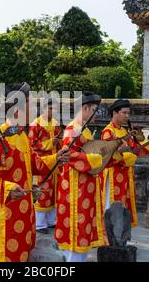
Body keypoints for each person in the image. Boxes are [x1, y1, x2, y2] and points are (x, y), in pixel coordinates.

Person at [0, 83, 69, 262]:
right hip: (4, 213)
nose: (35, 109)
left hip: (23, 210)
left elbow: (35, 163)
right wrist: (8, 188)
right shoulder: (0, 139)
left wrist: (57, 157)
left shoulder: (21, 135)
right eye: (32, 104)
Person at [55, 91, 107, 263]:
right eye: (94, 110)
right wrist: (96, 158)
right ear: (85, 108)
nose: (96, 116)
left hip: (85, 186)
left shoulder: (83, 130)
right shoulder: (72, 131)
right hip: (75, 187)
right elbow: (70, 156)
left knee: (85, 224)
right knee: (77, 224)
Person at [101, 99, 149, 227]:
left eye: (128, 113)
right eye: (124, 113)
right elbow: (111, 155)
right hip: (113, 174)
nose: (127, 116)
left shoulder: (124, 131)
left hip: (125, 173)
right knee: (112, 203)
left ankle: (119, 234)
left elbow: (136, 149)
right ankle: (109, 235)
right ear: (115, 113)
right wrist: (128, 157)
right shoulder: (108, 132)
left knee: (122, 203)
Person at [28, 98, 62, 234]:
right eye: (50, 108)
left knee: (53, 191)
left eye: (55, 109)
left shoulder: (55, 124)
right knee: (42, 191)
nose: (53, 111)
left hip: (55, 161)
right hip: (41, 163)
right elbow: (32, 145)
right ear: (43, 109)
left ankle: (51, 220)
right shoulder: (35, 124)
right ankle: (40, 223)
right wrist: (50, 142)